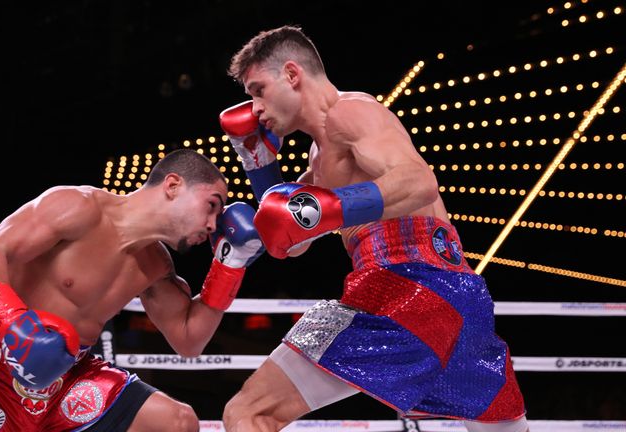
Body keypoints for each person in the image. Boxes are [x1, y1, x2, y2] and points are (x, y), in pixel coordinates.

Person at [218, 25, 529, 432]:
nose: (254, 108)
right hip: (456, 299)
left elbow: (419, 182)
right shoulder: (320, 156)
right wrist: (260, 166)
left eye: (258, 89)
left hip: (405, 286)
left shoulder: (351, 112)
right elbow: (289, 244)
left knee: (247, 413)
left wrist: (332, 208)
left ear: (292, 74)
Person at [0, 149, 265, 432]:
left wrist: (229, 266)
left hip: (68, 383)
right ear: (172, 186)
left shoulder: (156, 265)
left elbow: (189, 339)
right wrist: (18, 328)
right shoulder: (77, 207)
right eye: (212, 206)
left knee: (176, 422)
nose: (213, 224)